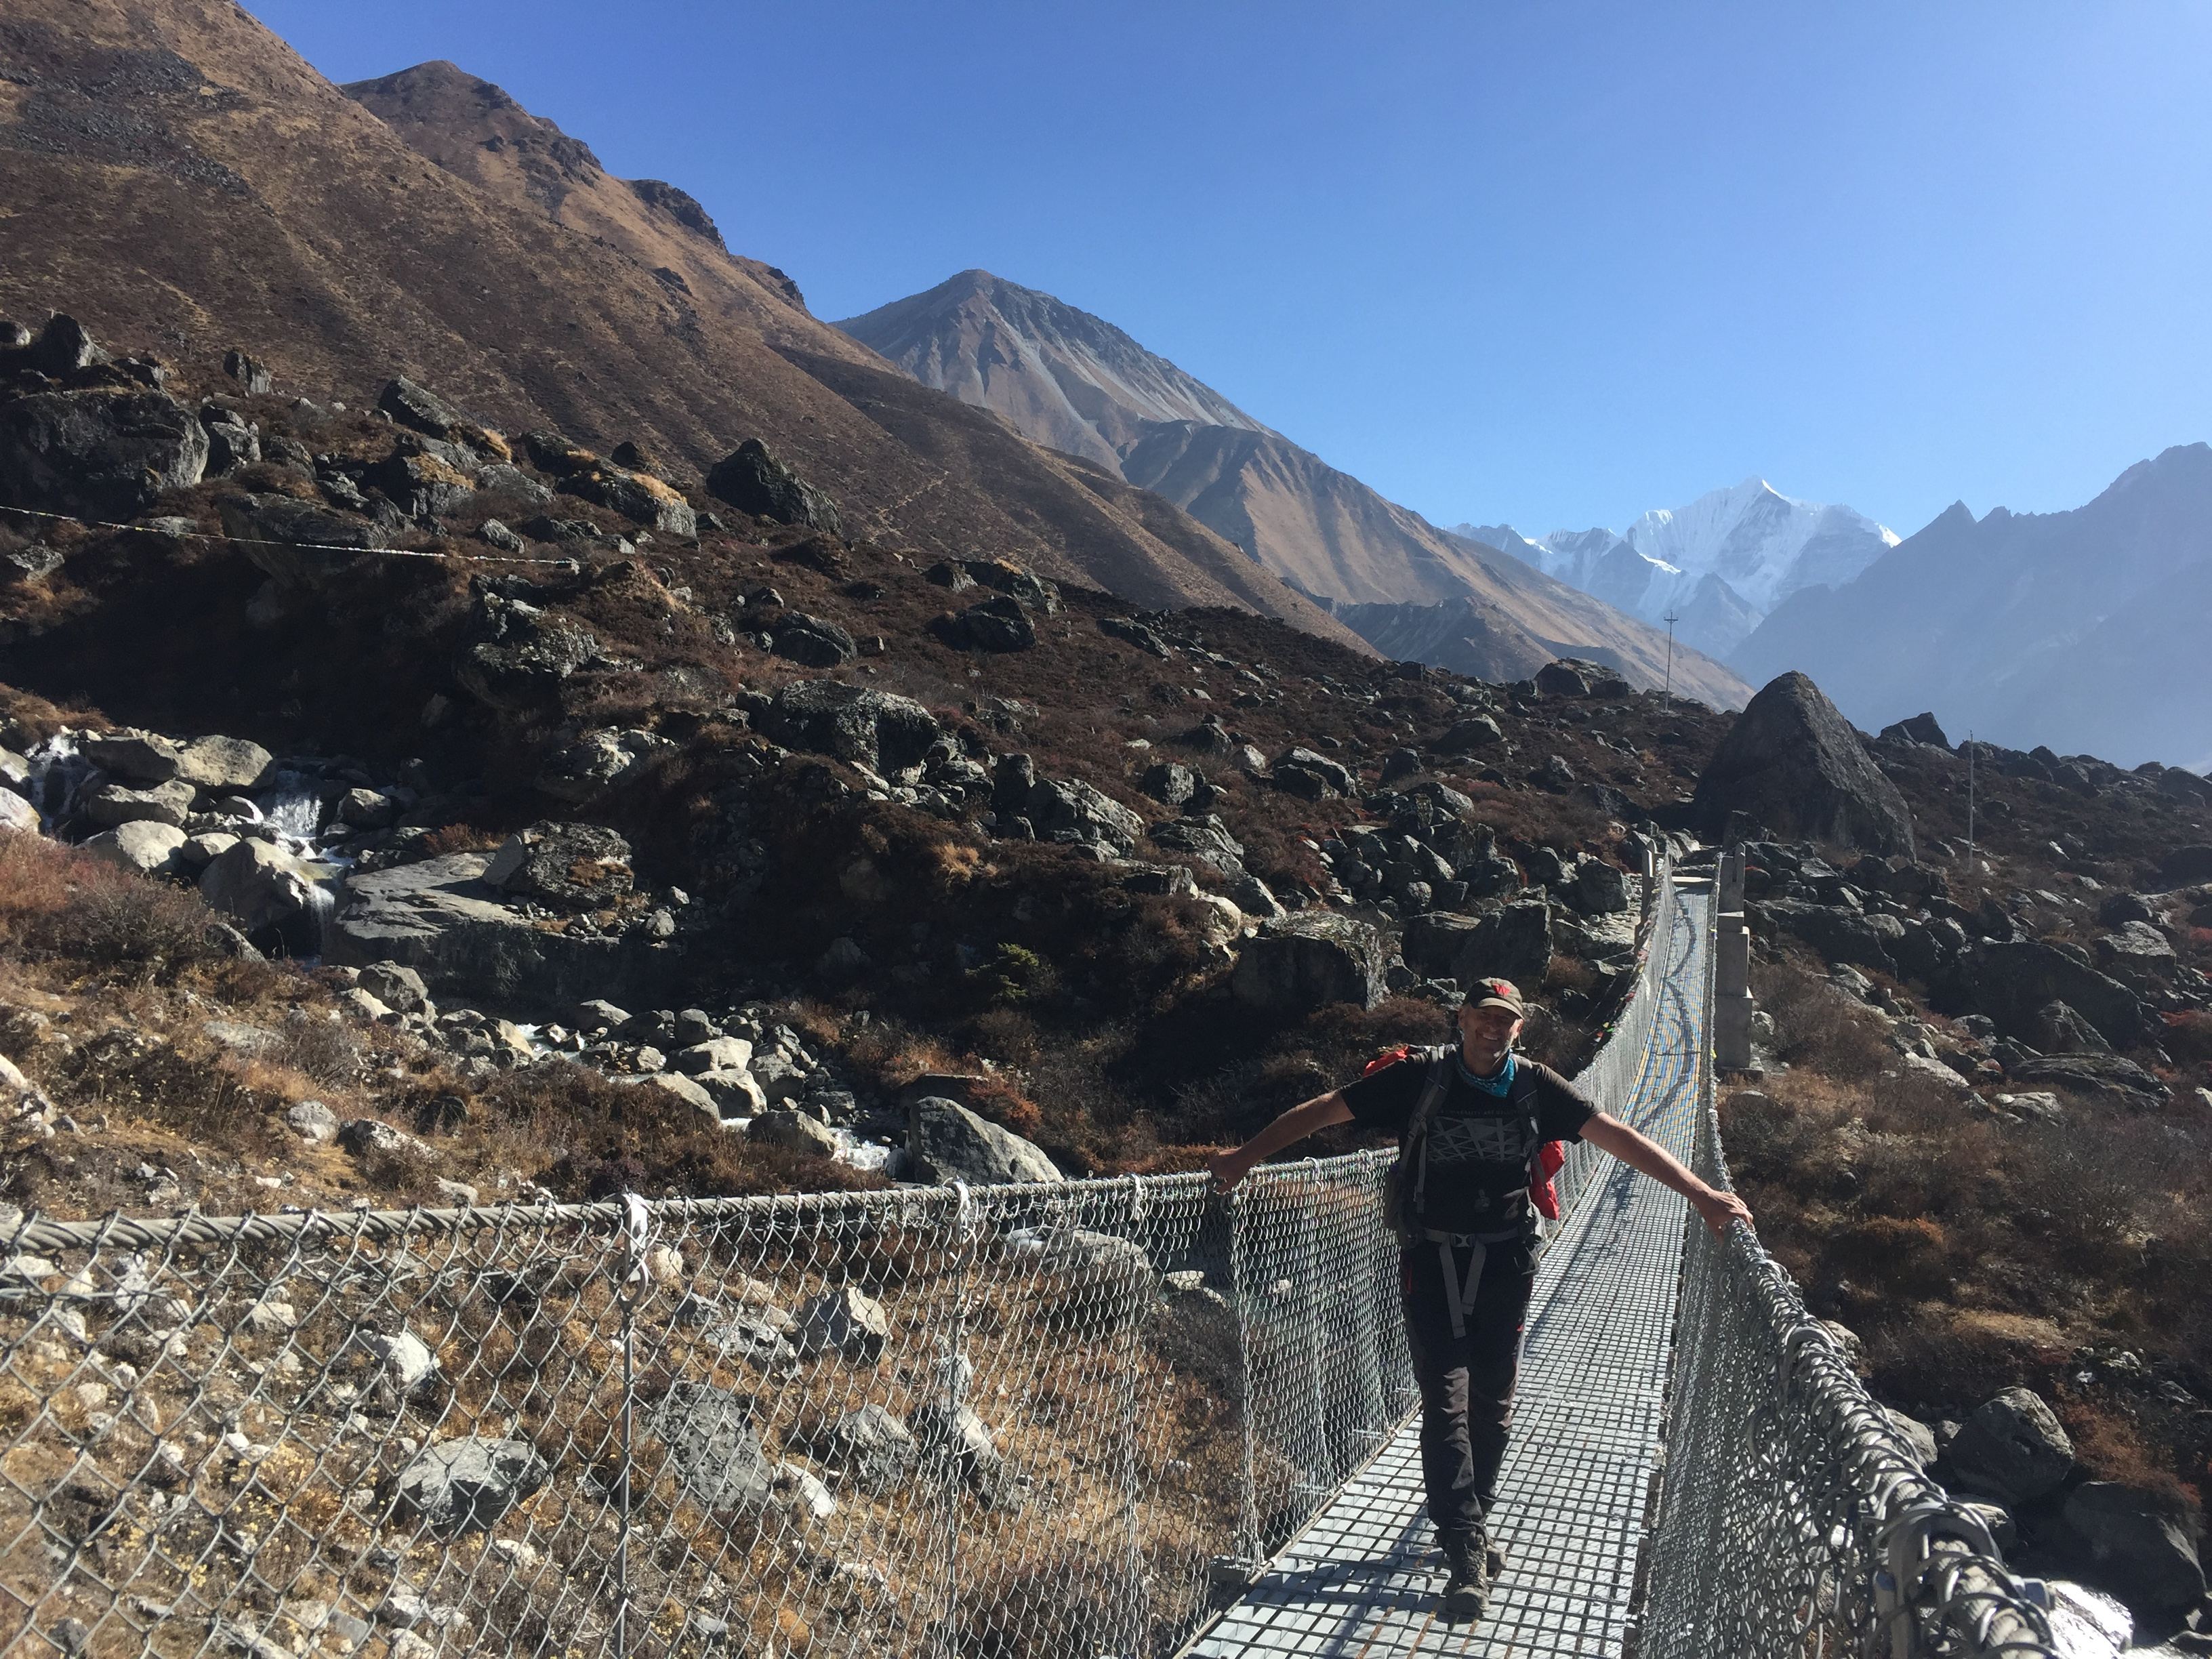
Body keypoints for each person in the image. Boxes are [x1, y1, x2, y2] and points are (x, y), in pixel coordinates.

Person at [1205, 975, 1753, 1622]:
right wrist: (1244, 1157)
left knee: (1493, 1403)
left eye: (1507, 1020)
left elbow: (1617, 1136)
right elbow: (1323, 1110)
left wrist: (1702, 1196)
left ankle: (1473, 1521)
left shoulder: (1536, 1086)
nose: (1494, 1028)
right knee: (1445, 1401)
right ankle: (1465, 1548)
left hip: (1507, 1259)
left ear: (1518, 1028)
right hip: (1431, 1257)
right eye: (1484, 1016)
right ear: (1461, 1019)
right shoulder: (1418, 1078)